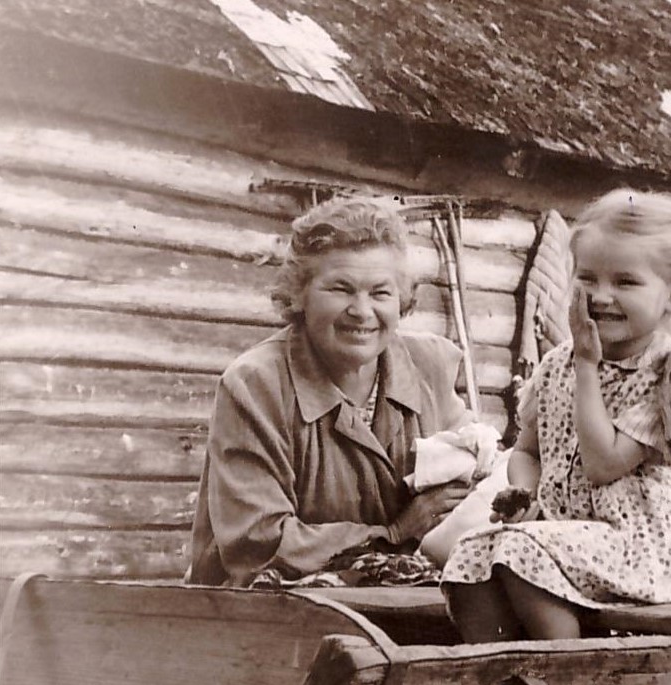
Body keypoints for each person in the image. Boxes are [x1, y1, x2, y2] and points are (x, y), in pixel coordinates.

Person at [442, 189, 671, 640]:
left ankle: (566, 671)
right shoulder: (555, 365)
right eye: (587, 278)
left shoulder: (665, 378)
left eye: (625, 282)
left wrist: (587, 366)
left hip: (638, 545)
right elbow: (527, 451)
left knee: (524, 554)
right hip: (564, 535)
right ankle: (497, 666)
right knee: (469, 554)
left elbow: (602, 465)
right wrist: (525, 494)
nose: (601, 296)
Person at [188, 196, 477, 587]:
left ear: (403, 300)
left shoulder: (431, 367)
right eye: (341, 289)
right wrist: (393, 535)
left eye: (381, 293)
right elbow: (258, 541)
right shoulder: (255, 385)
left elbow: (474, 479)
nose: (361, 311)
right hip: (267, 609)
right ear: (299, 294)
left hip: (406, 601)